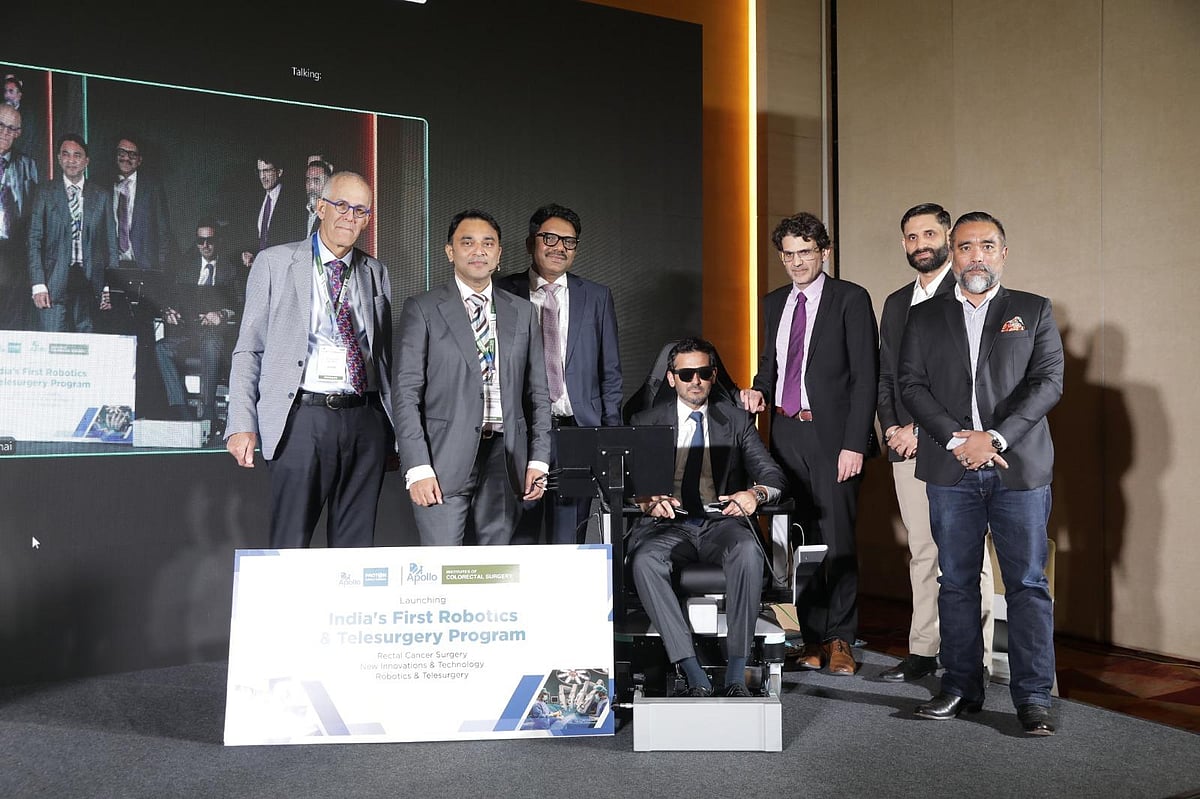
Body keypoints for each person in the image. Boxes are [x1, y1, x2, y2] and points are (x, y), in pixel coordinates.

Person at [899, 211, 1063, 735]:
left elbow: (1048, 383)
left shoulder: (1033, 311)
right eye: (966, 247)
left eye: (987, 246)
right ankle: (960, 687)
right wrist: (957, 440)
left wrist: (992, 438)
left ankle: (1033, 697)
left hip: (1018, 467)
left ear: (1003, 253)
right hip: (951, 469)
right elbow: (911, 386)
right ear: (953, 252)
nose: (977, 257)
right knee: (956, 584)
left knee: (1028, 585)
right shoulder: (924, 318)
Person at [741, 212, 878, 677]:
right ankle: (813, 639)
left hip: (833, 436)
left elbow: (865, 377)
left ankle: (842, 639)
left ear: (824, 251)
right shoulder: (774, 302)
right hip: (785, 433)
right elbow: (769, 365)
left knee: (837, 539)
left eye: (806, 252)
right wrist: (759, 389)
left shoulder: (850, 299)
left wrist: (854, 442)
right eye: (789, 254)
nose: (797, 262)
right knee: (800, 541)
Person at [225, 172, 394, 549]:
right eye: (342, 206)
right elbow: (248, 348)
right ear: (320, 208)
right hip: (302, 418)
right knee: (291, 543)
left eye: (361, 210)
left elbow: (382, 359)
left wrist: (389, 429)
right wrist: (240, 422)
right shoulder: (274, 263)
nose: (351, 216)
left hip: (364, 419)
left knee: (355, 551)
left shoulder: (376, 272)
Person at [877, 203, 995, 683]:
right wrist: (891, 429)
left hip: (954, 446)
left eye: (929, 234)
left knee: (967, 556)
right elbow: (887, 377)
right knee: (922, 552)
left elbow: (972, 382)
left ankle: (976, 659)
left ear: (948, 240)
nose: (920, 243)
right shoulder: (894, 302)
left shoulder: (970, 290)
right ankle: (924, 650)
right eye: (911, 236)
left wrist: (923, 430)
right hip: (904, 448)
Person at [631, 337, 785, 697]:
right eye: (686, 374)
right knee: (644, 561)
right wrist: (646, 501)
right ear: (672, 379)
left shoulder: (735, 421)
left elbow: (773, 475)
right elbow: (628, 485)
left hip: (721, 524)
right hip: (668, 525)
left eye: (703, 373)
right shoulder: (646, 420)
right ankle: (692, 671)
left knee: (748, 551)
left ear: (714, 376)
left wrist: (755, 493)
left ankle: (735, 672)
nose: (695, 381)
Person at [394, 209, 552, 546]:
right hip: (441, 459)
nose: (478, 251)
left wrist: (538, 459)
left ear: (498, 254)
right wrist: (417, 467)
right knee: (442, 568)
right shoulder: (422, 309)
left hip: (506, 457)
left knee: (495, 570)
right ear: (450, 251)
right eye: (467, 242)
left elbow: (538, 394)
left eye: (487, 243)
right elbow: (405, 395)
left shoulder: (522, 312)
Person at [495, 203, 622, 544]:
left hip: (577, 433)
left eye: (569, 241)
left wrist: (610, 437)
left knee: (570, 535)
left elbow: (610, 373)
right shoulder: (501, 292)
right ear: (530, 243)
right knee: (520, 532)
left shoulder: (595, 296)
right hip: (521, 432)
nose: (559, 247)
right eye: (549, 238)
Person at [28, 135, 117, 333]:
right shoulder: (45, 192)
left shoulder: (101, 196)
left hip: (91, 283)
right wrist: (38, 284)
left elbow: (110, 243)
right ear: (59, 158)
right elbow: (34, 241)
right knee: (52, 347)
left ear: (86, 161)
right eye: (66, 155)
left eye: (77, 155)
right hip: (53, 283)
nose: (71, 160)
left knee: (88, 348)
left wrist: (109, 287)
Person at [156, 221, 239, 429]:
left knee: (211, 345)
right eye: (200, 241)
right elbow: (172, 299)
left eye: (209, 240)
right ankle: (181, 410)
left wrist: (222, 313)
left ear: (217, 241)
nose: (205, 246)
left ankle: (208, 411)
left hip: (217, 335)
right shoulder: (185, 268)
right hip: (189, 333)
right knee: (161, 349)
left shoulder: (230, 269)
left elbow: (241, 303)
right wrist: (170, 312)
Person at [0, 103, 38, 330]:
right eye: (1, 125)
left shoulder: (28, 165)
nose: (5, 132)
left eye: (11, 129)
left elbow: (33, 215)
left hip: (14, 254)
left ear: (19, 133)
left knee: (12, 321)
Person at [240, 154, 303, 265]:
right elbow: (254, 236)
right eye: (260, 171)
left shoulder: (292, 203)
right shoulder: (254, 201)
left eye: (267, 171)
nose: (262, 176)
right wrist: (249, 252)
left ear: (279, 172)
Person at [304, 160, 332, 237]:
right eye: (308, 181)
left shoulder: (332, 216)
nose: (311, 186)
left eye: (316, 181)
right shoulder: (297, 213)